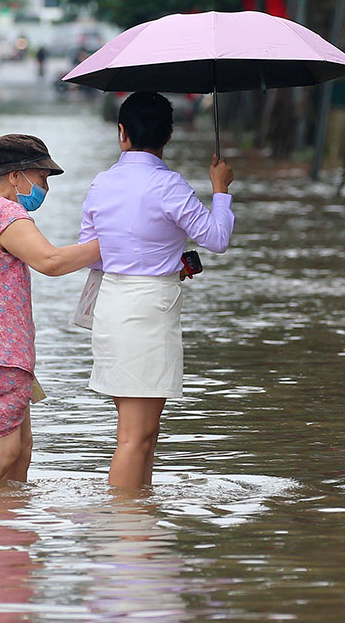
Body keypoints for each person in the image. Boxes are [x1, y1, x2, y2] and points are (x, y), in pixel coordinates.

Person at [79, 92, 235, 490]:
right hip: (148, 312)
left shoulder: (102, 183)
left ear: (122, 133)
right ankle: (124, 528)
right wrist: (220, 189)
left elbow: (92, 251)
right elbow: (216, 238)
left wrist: (157, 258)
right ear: (168, 135)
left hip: (112, 306)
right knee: (136, 437)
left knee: (144, 435)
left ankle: (139, 531)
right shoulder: (168, 186)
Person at [0, 134, 100, 489]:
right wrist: (110, 243)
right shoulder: (5, 213)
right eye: (41, 177)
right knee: (0, 454)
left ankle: (6, 528)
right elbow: (50, 260)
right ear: (16, 177)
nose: (45, 187)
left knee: (19, 449)